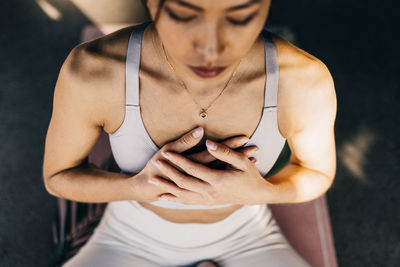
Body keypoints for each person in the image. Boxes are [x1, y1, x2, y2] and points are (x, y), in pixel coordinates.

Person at [42, 0, 337, 266]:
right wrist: (136, 187)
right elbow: (58, 177)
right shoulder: (94, 70)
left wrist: (262, 191)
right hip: (130, 235)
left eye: (240, 17)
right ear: (153, 4)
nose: (211, 47)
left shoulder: (304, 80)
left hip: (246, 235)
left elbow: (317, 173)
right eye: (184, 15)